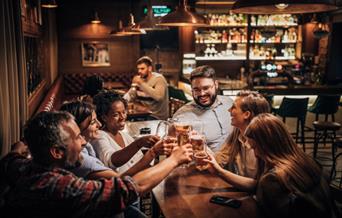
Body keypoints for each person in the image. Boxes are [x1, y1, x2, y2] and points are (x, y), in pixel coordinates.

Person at [0, 111, 193, 217]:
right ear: (57, 152)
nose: (83, 142)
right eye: (77, 138)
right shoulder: (56, 187)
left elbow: (9, 159)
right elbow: (127, 189)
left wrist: (18, 148)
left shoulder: (22, 167)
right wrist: (174, 159)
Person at [205, 113, 338, 218]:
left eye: (255, 147)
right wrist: (219, 171)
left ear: (267, 145)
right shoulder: (307, 161)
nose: (255, 154)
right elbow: (257, 185)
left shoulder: (274, 179)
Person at [92, 91, 174, 174]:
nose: (122, 117)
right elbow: (111, 161)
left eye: (124, 112)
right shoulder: (99, 136)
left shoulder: (124, 135)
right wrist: (139, 143)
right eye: (116, 115)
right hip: (123, 184)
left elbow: (142, 163)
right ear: (104, 117)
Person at [172, 65, 233, 152]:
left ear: (216, 84)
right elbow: (176, 152)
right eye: (196, 90)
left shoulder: (229, 103)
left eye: (206, 88)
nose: (202, 94)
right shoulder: (182, 117)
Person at [214, 90, 270, 179]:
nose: (229, 110)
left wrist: (221, 172)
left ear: (246, 114)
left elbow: (259, 185)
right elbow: (222, 157)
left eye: (233, 107)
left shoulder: (265, 142)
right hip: (241, 190)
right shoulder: (237, 133)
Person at [123, 56, 169, 120]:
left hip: (156, 117)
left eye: (142, 69)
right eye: (138, 69)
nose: (139, 71)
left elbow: (159, 97)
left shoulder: (159, 79)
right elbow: (130, 95)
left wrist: (141, 83)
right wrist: (121, 102)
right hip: (143, 114)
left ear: (150, 68)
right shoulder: (140, 79)